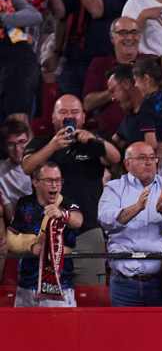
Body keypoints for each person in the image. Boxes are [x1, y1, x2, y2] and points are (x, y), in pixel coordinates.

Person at [21, 94, 120, 286]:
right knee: (49, 299)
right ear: (53, 116)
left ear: (83, 117)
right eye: (63, 112)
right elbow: (27, 167)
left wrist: (94, 140)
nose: (69, 116)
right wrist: (53, 146)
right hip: (47, 233)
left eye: (74, 112)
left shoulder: (93, 143)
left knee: (90, 297)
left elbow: (115, 158)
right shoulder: (41, 143)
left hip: (88, 231)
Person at [97, 141, 162, 307]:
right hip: (124, 284)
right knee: (123, 332)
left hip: (161, 282)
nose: (149, 162)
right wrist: (136, 208)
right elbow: (105, 219)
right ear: (127, 164)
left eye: (152, 158)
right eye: (142, 158)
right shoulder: (114, 188)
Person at [5, 162, 81, 306]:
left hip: (59, 288)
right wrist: (31, 246)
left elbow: (78, 220)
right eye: (49, 180)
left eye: (58, 180)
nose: (55, 185)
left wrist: (63, 215)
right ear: (35, 182)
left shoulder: (67, 204)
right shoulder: (25, 204)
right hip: (26, 286)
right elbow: (11, 238)